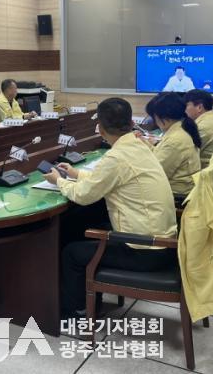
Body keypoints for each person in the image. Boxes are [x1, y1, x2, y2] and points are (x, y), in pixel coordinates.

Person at [43, 98, 176, 317]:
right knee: (81, 226)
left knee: (71, 253)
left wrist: (59, 181)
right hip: (161, 242)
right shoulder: (139, 145)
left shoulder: (116, 157)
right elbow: (109, 178)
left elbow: (83, 195)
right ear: (131, 122)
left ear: (101, 129)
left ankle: (78, 311)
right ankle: (87, 299)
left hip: (145, 250)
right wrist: (76, 174)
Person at [143, 93, 201, 199]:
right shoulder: (180, 129)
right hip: (181, 189)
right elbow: (161, 154)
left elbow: (155, 173)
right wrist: (145, 143)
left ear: (164, 118)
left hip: (176, 195)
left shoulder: (175, 140)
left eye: (154, 117)